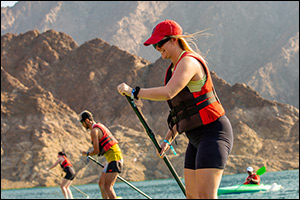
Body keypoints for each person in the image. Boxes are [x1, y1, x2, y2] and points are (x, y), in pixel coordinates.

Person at [117, 19, 233, 199]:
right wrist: (168, 139)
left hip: (213, 134)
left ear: (174, 40)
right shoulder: (173, 69)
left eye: (159, 42)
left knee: (206, 196)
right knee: (192, 196)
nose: (156, 47)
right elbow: (182, 111)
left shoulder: (189, 62)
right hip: (195, 139)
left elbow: (169, 92)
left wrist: (134, 92)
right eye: (154, 45)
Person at [79, 110, 123, 199]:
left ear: (87, 121)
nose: (82, 125)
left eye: (82, 122)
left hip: (115, 158)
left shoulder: (94, 131)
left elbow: (96, 151)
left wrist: (87, 154)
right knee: (101, 184)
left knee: (108, 187)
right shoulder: (99, 126)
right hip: (111, 159)